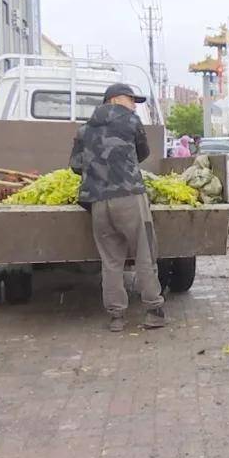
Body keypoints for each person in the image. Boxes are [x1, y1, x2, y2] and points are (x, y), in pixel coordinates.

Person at [69, 83, 165, 332]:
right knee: (144, 253)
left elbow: (76, 165)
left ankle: (116, 317)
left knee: (111, 260)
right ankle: (154, 310)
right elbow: (143, 152)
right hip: (130, 196)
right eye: (131, 100)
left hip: (98, 202)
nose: (134, 105)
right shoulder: (132, 122)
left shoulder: (84, 129)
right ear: (114, 100)